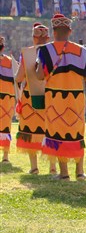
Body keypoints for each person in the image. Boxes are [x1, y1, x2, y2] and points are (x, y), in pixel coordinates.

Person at [35, 14, 86, 181]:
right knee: (76, 132)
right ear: (70, 31)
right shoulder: (82, 51)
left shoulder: (46, 50)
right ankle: (80, 171)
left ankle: (64, 173)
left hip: (55, 98)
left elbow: (40, 76)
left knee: (58, 132)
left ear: (53, 32)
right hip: (76, 98)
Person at [14, 24, 54, 174]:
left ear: (34, 38)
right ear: (47, 38)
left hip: (30, 98)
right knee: (50, 131)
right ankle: (52, 167)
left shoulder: (27, 54)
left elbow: (19, 77)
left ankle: (34, 167)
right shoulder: (55, 54)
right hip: (51, 97)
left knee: (30, 130)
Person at [0, 36, 16, 163]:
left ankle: (5, 156)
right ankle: (5, 156)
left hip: (6, 98)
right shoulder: (11, 62)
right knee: (6, 126)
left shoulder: (10, 62)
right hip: (7, 99)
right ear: (3, 47)